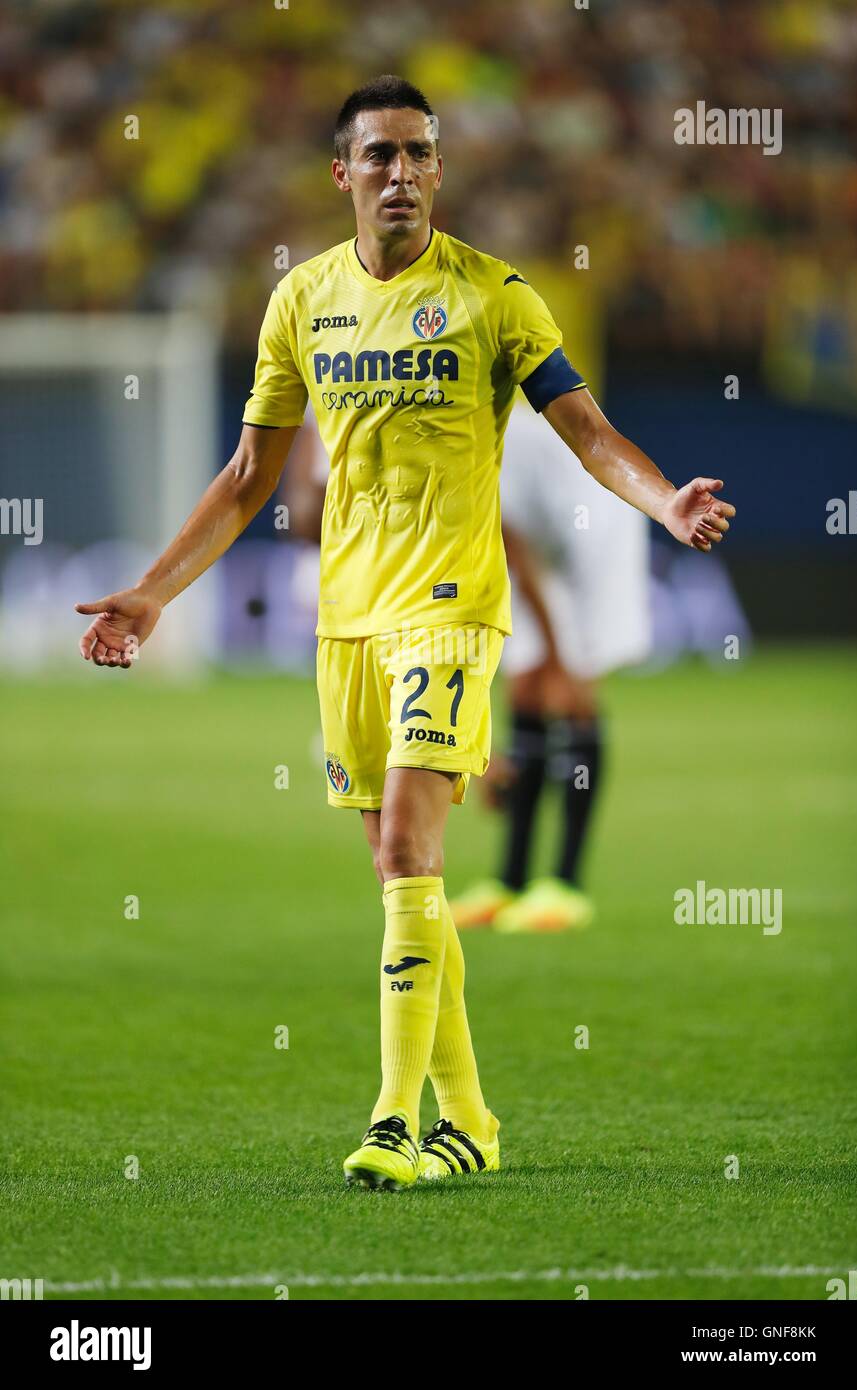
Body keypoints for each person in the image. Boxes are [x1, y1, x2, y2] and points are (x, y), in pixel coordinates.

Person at [75, 75, 735, 1191]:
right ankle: (470, 1117)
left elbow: (585, 429)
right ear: (341, 174)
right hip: (347, 626)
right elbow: (248, 478)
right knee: (403, 883)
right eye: (377, 155)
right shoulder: (302, 302)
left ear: (438, 170)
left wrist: (663, 500)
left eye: (418, 154)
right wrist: (152, 591)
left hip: (450, 609)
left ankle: (392, 1120)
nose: (400, 173)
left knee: (404, 855)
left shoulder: (494, 296)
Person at [451, 398, 651, 933]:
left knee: (568, 691)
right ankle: (511, 881)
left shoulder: (466, 452)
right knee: (525, 686)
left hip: (596, 528)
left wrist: (562, 659)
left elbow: (515, 557)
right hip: (543, 538)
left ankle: (565, 885)